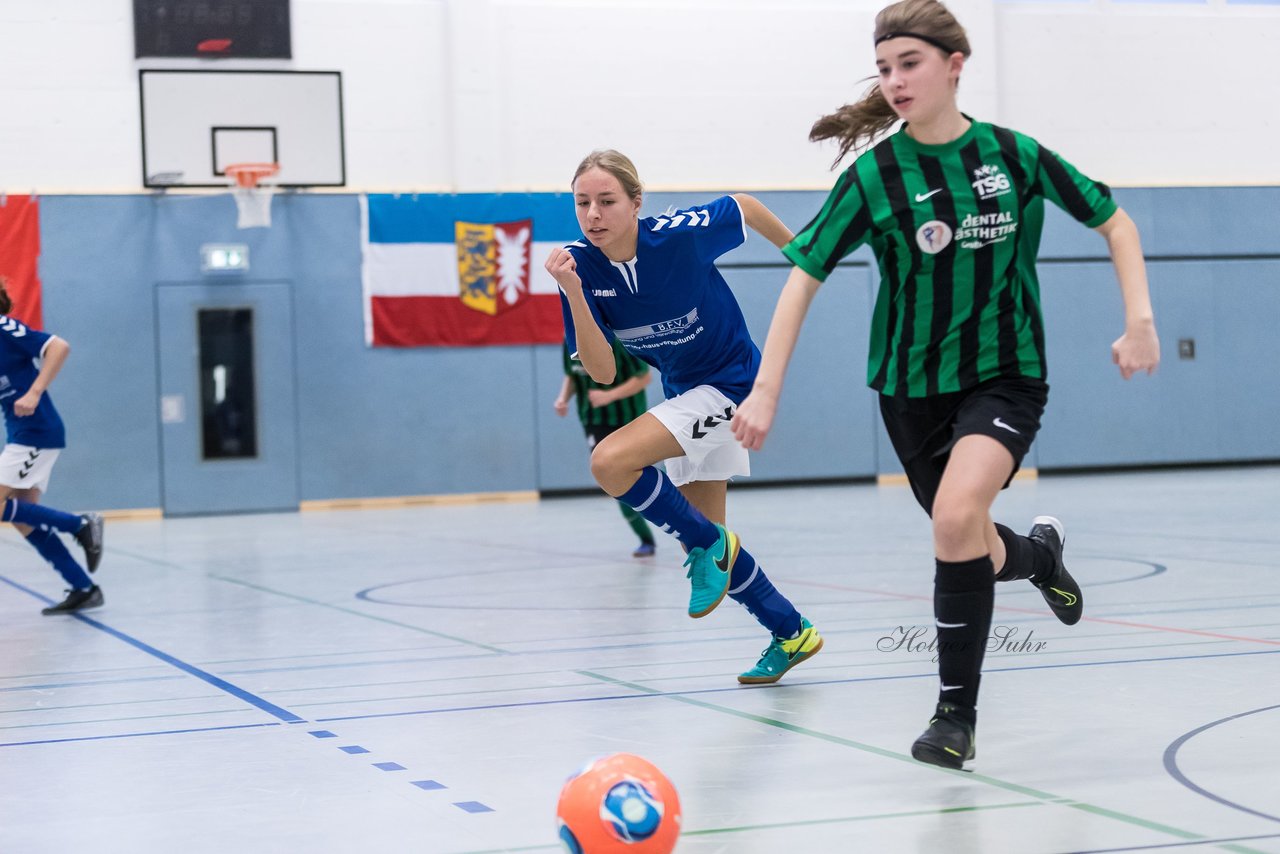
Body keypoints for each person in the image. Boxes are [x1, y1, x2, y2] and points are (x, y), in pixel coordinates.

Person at [731, 0, 1159, 766]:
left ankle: (952, 719)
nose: (895, 80)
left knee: (955, 515)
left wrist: (1141, 321)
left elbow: (1115, 221)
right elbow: (803, 276)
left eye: (910, 64)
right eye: (885, 68)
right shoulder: (876, 176)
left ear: (954, 65)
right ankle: (1040, 558)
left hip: (1006, 376)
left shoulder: (1014, 155)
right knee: (967, 537)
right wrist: (765, 389)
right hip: (909, 390)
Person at [546, 149, 823, 684]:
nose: (593, 215)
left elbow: (742, 206)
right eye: (582, 204)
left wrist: (799, 252)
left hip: (733, 384)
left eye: (607, 201)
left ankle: (708, 546)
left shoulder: (676, 235)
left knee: (609, 463)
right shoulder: (579, 269)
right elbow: (601, 373)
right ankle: (791, 632)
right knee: (708, 536)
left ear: (635, 203)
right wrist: (575, 294)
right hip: (684, 392)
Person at [0, 278, 105, 614]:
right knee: (24, 518)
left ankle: (80, 525)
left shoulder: (3, 327)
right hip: (22, 431)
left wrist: (34, 392)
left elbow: (59, 347)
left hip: (36, 431)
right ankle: (83, 587)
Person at [554, 338, 658, 558]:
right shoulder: (570, 341)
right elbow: (573, 374)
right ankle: (645, 538)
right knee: (613, 481)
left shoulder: (618, 339)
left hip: (629, 418)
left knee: (638, 476)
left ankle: (673, 502)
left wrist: (608, 395)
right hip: (593, 420)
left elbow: (643, 378)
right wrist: (563, 398)